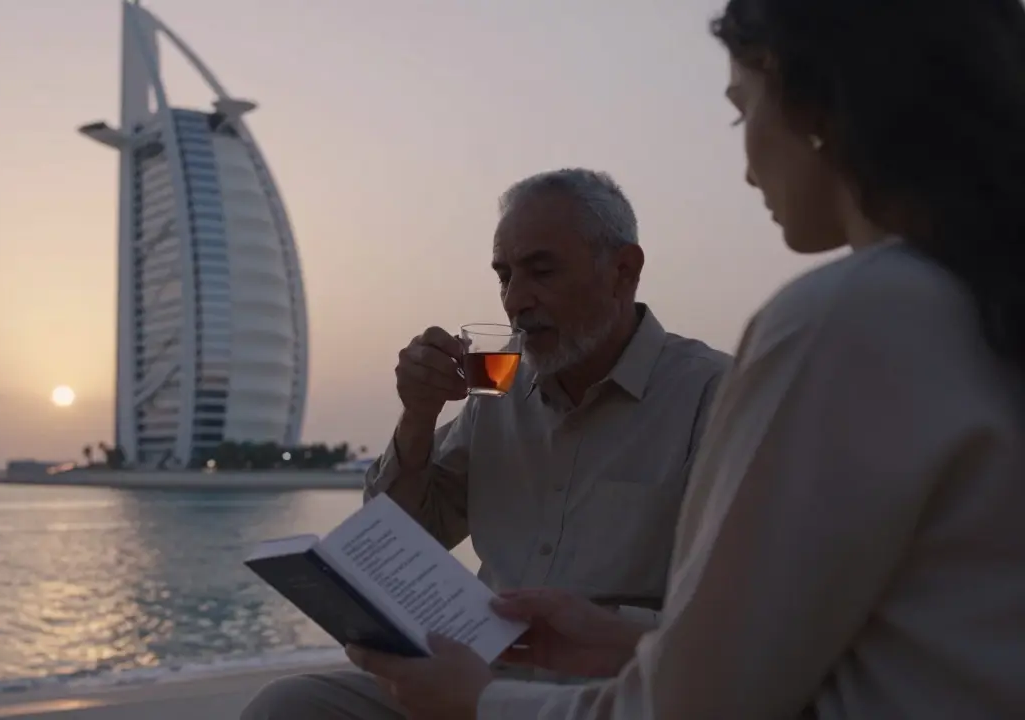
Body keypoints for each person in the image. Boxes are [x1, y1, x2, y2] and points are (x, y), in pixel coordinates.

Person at [343, 0, 1025, 718]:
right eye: (503, 275)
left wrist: (477, 704)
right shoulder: (976, 303)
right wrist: (418, 421)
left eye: (740, 111)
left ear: (818, 106)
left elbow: (698, 705)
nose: (744, 165)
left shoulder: (837, 324)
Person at [240, 168, 732, 719]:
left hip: (616, 691)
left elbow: (749, 624)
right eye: (503, 276)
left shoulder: (718, 398)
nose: (515, 300)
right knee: (288, 706)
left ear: (623, 271)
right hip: (475, 671)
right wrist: (418, 417)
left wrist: (608, 632)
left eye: (541, 271)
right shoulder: (497, 393)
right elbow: (405, 539)